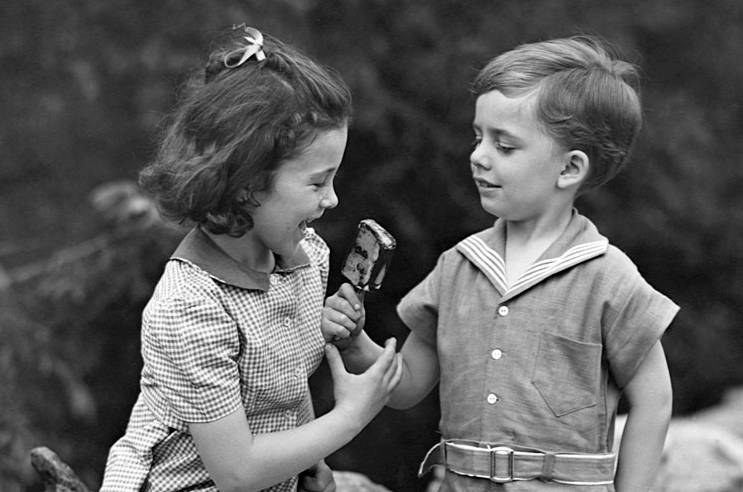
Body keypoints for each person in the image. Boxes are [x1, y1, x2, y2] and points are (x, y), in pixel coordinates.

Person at [322, 35, 678, 491]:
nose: (478, 156)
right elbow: (406, 385)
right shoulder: (458, 266)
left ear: (569, 169)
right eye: (478, 138)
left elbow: (654, 401)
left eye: (504, 146)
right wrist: (356, 343)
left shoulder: (608, 276)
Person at [101, 25, 402, 492]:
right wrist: (350, 415)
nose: (333, 199)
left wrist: (311, 463)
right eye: (317, 182)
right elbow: (237, 472)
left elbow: (285, 389)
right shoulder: (190, 306)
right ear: (247, 184)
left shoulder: (307, 257)